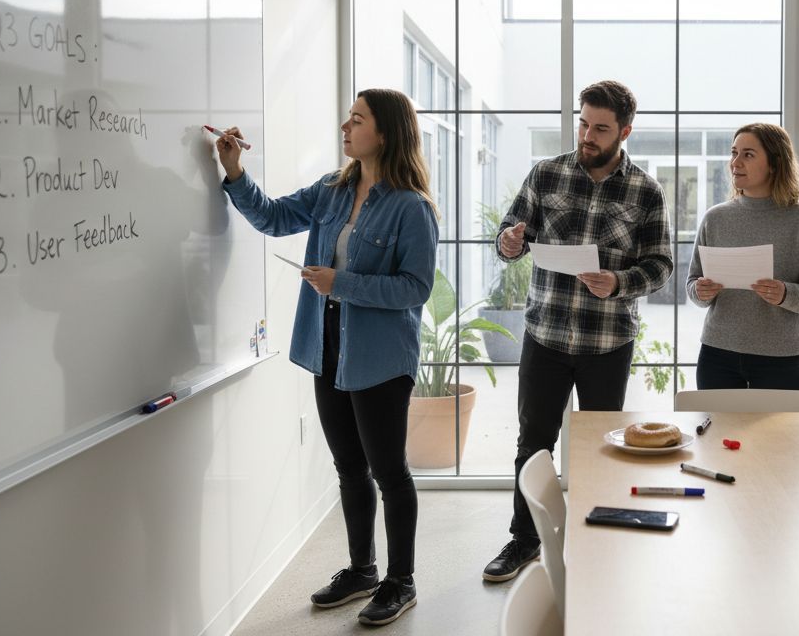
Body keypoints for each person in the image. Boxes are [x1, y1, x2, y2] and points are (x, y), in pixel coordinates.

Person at [214, 89, 438, 627]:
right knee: (348, 468)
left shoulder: (412, 206)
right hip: (327, 347)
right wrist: (234, 171)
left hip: (381, 358)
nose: (346, 125)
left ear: (383, 133)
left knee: (389, 472)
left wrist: (344, 282)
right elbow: (271, 218)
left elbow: (415, 288)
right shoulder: (333, 190)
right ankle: (362, 569)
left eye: (357, 119)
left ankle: (400, 581)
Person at [482, 80, 672, 582]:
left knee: (604, 443)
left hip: (607, 341)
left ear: (624, 132)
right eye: (583, 123)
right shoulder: (546, 174)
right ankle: (523, 540)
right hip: (545, 333)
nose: (587, 135)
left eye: (600, 128)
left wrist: (619, 283)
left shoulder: (646, 191)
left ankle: (598, 539)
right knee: (533, 442)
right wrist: (508, 240)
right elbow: (506, 240)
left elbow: (662, 266)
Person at [686, 123, 799, 390]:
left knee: (780, 433)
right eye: (734, 153)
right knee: (717, 431)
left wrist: (785, 294)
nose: (735, 163)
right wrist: (701, 291)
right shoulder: (715, 218)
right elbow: (692, 284)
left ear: (775, 164)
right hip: (717, 353)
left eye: (748, 154)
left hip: (780, 358)